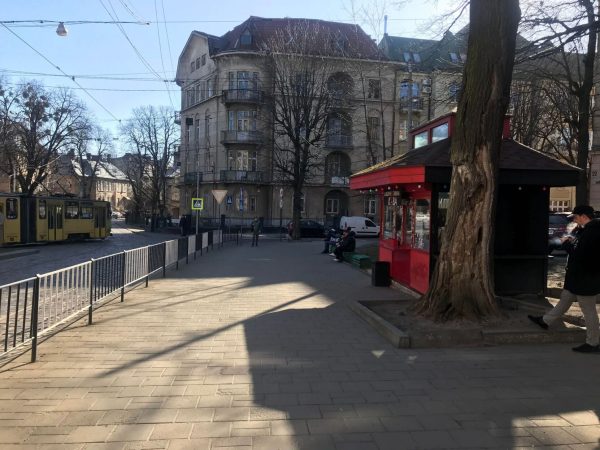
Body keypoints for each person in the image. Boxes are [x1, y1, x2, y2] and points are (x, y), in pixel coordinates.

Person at [528, 205, 600, 353]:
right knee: (565, 298)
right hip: (579, 277)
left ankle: (593, 343)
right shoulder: (585, 230)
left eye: (575, 217)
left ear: (584, 216)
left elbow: (581, 254)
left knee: (589, 310)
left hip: (586, 278)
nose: (574, 220)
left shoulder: (592, 232)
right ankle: (545, 321)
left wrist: (567, 244)